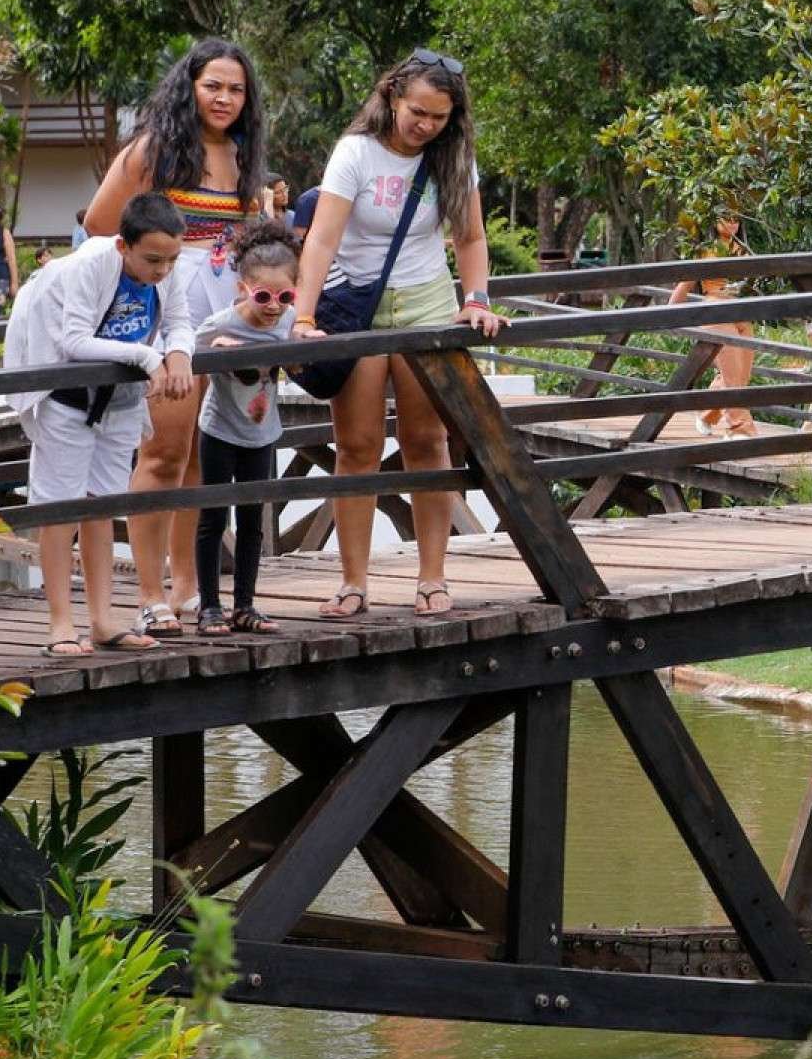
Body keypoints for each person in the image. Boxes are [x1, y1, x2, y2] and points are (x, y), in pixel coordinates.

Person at [289, 48, 505, 619]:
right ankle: (352, 582)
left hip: (426, 305)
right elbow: (321, 240)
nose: (425, 126)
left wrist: (476, 299)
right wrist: (303, 318)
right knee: (357, 446)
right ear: (392, 97)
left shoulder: (453, 158)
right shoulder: (355, 153)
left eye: (438, 117)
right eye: (418, 112)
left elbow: (470, 238)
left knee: (427, 443)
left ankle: (432, 577)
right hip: (357, 309)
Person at [83, 38, 269, 637]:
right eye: (213, 85)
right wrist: (147, 283)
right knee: (163, 453)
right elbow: (100, 224)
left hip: (228, 314)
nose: (224, 98)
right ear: (190, 87)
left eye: (236, 89)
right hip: (168, 308)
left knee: (201, 457)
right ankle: (148, 594)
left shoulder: (242, 155)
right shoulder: (153, 151)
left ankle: (188, 585)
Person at [4, 192, 199, 656]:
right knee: (61, 509)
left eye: (171, 260)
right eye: (152, 260)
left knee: (102, 506)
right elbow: (73, 340)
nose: (162, 270)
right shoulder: (90, 266)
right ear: (123, 246)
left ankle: (102, 619)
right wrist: (147, 356)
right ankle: (60, 624)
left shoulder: (166, 271)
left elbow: (179, 322)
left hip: (119, 400)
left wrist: (178, 354)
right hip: (66, 396)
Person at [189, 218, 300, 633]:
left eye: (284, 296)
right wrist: (214, 350)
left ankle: (246, 605)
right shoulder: (222, 323)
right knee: (213, 519)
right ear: (243, 289)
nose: (273, 306)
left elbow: (300, 348)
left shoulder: (288, 321)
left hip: (262, 432)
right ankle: (209, 606)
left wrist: (304, 345)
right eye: (263, 296)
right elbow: (187, 348)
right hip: (220, 429)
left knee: (253, 521)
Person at [669, 214, 757, 438]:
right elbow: (684, 286)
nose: (733, 223)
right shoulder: (704, 249)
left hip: (742, 313)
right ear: (714, 220)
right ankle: (739, 429)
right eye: (727, 218)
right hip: (716, 310)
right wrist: (669, 316)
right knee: (732, 375)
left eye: (737, 219)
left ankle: (707, 414)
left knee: (741, 374)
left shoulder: (742, 249)